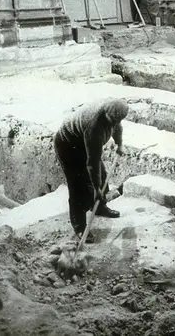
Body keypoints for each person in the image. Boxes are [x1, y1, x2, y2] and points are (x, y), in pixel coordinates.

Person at [54, 99, 129, 243]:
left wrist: (120, 144)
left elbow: (117, 126)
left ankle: (100, 207)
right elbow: (92, 163)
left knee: (103, 176)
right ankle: (80, 227)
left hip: (84, 141)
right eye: (111, 119)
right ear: (106, 113)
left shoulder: (113, 115)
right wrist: (96, 189)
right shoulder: (94, 126)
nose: (114, 122)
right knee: (78, 187)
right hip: (68, 146)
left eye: (116, 120)